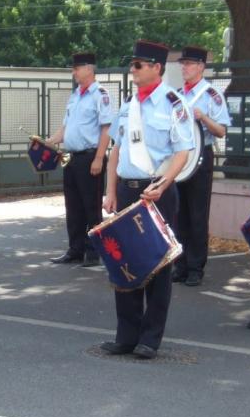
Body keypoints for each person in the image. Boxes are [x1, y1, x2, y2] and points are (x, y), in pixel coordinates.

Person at [100, 41, 195, 359]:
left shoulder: (173, 102)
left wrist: (164, 183)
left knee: (157, 264)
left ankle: (150, 338)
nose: (133, 69)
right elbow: (116, 149)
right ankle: (126, 334)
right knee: (123, 264)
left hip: (158, 191)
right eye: (132, 64)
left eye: (138, 64)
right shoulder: (129, 104)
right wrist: (111, 190)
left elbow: (183, 152)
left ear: (157, 67)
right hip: (127, 190)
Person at [46, 52, 115, 267]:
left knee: (90, 206)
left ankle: (94, 251)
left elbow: (106, 128)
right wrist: (50, 141)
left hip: (89, 157)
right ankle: (75, 249)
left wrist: (98, 158)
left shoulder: (100, 95)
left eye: (77, 68)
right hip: (71, 156)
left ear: (89, 68)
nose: (73, 72)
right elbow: (66, 127)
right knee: (73, 205)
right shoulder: (75, 95)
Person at [171, 46, 230, 286]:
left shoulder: (211, 94)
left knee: (197, 213)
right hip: (179, 157)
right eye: (182, 64)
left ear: (201, 67)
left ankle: (196, 266)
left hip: (201, 155)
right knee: (178, 213)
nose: (184, 67)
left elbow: (222, 130)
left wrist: (203, 117)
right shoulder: (175, 95)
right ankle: (181, 264)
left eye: (189, 64)